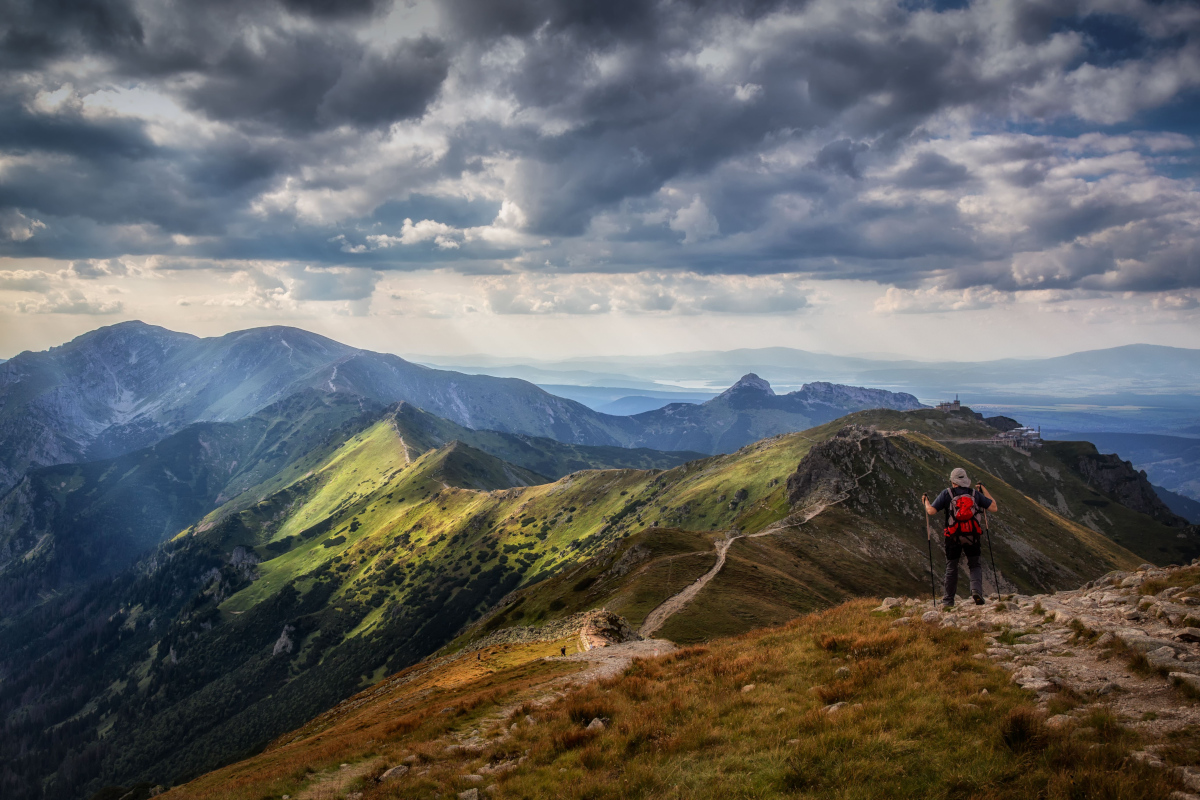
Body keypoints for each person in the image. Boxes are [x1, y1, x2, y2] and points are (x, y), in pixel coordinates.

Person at [923, 467, 998, 608]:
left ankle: (948, 601)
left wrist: (926, 501)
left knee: (951, 567)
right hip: (972, 535)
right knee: (974, 565)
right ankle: (976, 591)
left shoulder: (947, 493)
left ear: (953, 481)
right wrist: (983, 489)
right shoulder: (974, 493)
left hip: (953, 536)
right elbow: (993, 507)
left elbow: (931, 511)